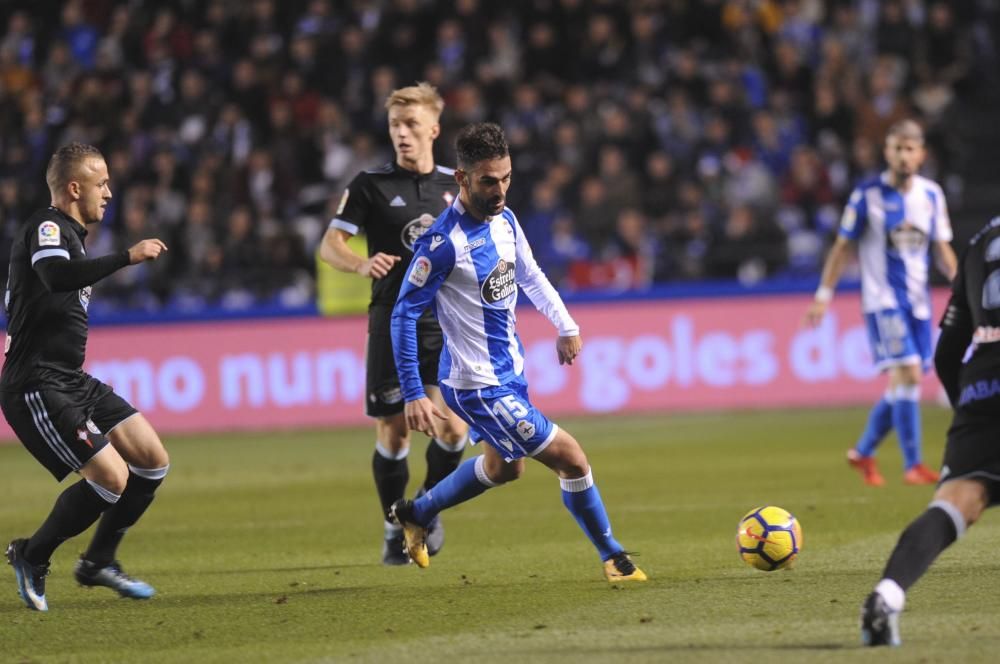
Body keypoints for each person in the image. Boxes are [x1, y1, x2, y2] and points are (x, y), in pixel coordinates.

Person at [388, 122, 646, 582]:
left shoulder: (505, 220)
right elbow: (403, 314)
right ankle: (615, 558)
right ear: (462, 178)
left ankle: (417, 512)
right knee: (572, 459)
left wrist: (566, 325)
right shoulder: (442, 245)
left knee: (503, 468)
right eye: (489, 181)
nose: (500, 189)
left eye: (506, 178)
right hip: (477, 384)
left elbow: (530, 274)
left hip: (507, 372)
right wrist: (413, 392)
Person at [2, 143, 169, 611]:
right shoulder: (47, 227)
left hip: (71, 379)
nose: (109, 193)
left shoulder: (71, 236)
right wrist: (127, 257)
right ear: (75, 189)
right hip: (36, 383)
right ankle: (32, 555)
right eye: (102, 184)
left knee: (151, 460)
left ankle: (98, 561)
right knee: (111, 477)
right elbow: (56, 277)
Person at [318, 82, 468, 565]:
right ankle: (392, 526)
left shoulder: (456, 186)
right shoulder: (370, 185)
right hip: (390, 320)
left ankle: (424, 508)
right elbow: (330, 245)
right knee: (395, 432)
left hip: (444, 321)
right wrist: (361, 264)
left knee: (454, 430)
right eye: (395, 125)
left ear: (434, 129)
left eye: (411, 125)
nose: (402, 134)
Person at [860, 214, 1000, 646]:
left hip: (984, 378)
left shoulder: (981, 239)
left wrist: (972, 414)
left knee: (956, 502)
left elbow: (947, 354)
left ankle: (888, 595)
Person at [805, 119, 957, 486]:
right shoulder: (867, 196)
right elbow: (842, 247)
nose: (903, 155)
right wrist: (823, 295)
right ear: (886, 152)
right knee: (908, 373)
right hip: (882, 300)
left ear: (921, 154)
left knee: (906, 383)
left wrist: (961, 284)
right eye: (896, 148)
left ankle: (864, 451)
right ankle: (913, 465)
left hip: (918, 302)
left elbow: (941, 249)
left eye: (910, 149)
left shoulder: (931, 195)